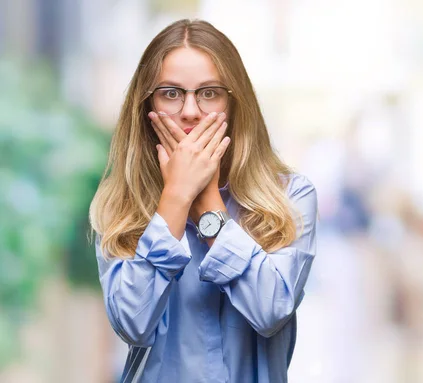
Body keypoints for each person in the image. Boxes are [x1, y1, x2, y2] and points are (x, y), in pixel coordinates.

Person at [89, 19, 318, 383]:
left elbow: (271, 310)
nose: (191, 111)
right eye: (171, 92)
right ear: (147, 105)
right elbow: (131, 323)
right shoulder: (121, 204)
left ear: (234, 102)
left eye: (209, 92)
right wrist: (176, 199)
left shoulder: (289, 196)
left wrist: (208, 206)